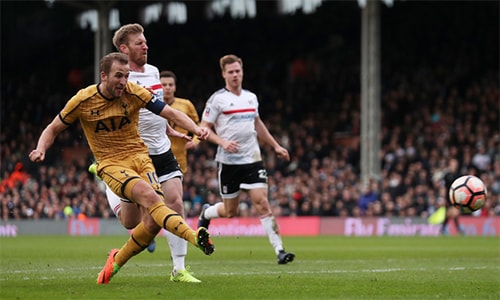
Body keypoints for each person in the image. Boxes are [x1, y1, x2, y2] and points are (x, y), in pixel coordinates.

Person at [29, 52, 214, 285]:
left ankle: (117, 260)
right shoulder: (83, 99)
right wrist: (40, 149)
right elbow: (53, 128)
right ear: (104, 75)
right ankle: (195, 238)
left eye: (127, 76)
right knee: (151, 201)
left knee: (149, 221)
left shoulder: (134, 92)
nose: (124, 82)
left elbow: (170, 112)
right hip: (111, 162)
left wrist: (195, 129)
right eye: (119, 76)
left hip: (140, 158)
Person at [90, 23, 203, 283]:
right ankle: (109, 180)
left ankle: (179, 269)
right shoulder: (119, 80)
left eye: (145, 41)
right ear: (124, 48)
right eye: (139, 43)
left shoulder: (153, 72)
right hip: (132, 154)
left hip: (161, 149)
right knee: (133, 222)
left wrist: (169, 131)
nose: (146, 46)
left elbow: (157, 109)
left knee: (174, 202)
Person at [198, 54, 295, 264]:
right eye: (230, 72)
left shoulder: (251, 98)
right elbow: (203, 129)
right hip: (229, 163)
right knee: (230, 211)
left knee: (262, 202)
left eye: (238, 71)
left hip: (252, 159)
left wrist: (276, 145)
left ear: (242, 72)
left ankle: (279, 249)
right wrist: (222, 142)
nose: (235, 75)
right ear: (224, 74)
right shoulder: (217, 100)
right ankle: (207, 212)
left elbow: (257, 124)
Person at [160, 70, 200, 174]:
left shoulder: (186, 105)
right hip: (157, 154)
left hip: (179, 157)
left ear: (175, 87)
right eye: (164, 85)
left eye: (170, 84)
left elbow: (198, 125)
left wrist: (195, 141)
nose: (167, 87)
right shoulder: (151, 105)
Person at [441, 158, 465, 235]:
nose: (454, 165)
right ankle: (445, 229)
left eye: (455, 164)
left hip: (456, 198)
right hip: (448, 197)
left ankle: (445, 229)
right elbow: (443, 187)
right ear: (450, 165)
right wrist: (443, 198)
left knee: (455, 213)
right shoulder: (447, 175)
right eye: (453, 164)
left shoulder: (459, 175)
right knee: (448, 214)